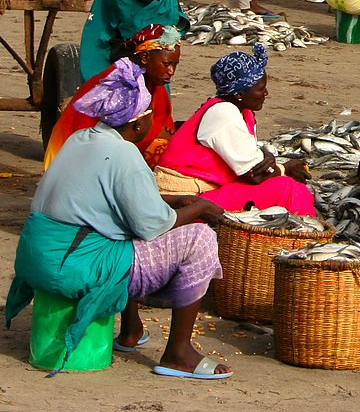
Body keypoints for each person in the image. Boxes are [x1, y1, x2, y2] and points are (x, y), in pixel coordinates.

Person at [5, 60, 232, 379]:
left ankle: (131, 331)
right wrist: (198, 208)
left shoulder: (80, 139)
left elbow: (104, 200)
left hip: (39, 257)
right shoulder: (125, 154)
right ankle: (178, 352)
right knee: (199, 238)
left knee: (118, 228)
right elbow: (151, 225)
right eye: (150, 117)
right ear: (137, 124)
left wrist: (171, 200)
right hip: (72, 266)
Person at [156, 45, 315, 211]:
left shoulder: (244, 112)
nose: (266, 93)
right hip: (183, 196)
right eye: (260, 89)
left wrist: (267, 160)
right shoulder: (223, 112)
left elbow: (253, 164)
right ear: (239, 94)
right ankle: (310, 235)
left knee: (290, 188)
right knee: (288, 188)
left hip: (206, 189)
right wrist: (284, 168)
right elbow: (254, 175)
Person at [46, 25, 182, 170]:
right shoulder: (118, 83)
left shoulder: (153, 84)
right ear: (144, 58)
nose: (171, 71)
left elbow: (163, 122)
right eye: (166, 64)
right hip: (79, 161)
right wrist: (155, 133)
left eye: (175, 65)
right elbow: (120, 132)